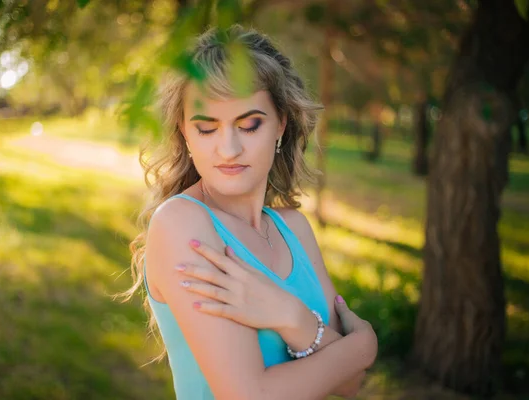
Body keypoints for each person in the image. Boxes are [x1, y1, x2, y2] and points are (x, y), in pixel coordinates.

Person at [125, 25, 378, 400]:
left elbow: (350, 384)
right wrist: (362, 346)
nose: (228, 149)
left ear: (281, 124)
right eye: (207, 129)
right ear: (185, 134)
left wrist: (291, 317)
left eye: (249, 125)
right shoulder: (181, 224)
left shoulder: (295, 229)